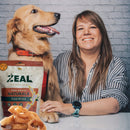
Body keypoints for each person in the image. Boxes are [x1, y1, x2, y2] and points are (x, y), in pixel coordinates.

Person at [40, 10, 128, 116]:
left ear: (102, 33)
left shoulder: (115, 64)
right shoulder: (61, 60)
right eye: (80, 28)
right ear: (75, 37)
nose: (86, 32)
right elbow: (43, 93)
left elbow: (114, 104)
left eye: (93, 27)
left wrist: (69, 108)